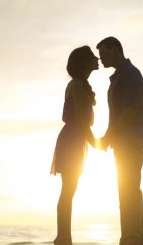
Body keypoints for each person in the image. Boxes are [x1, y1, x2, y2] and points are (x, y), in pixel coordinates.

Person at [97, 36, 143, 245]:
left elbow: (129, 111)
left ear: (115, 50)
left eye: (103, 54)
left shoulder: (129, 74)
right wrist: (110, 136)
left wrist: (109, 136)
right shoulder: (119, 76)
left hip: (133, 138)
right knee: (127, 188)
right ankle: (132, 237)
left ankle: (132, 238)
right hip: (124, 139)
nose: (100, 59)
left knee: (129, 188)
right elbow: (119, 114)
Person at [51, 46, 99, 245]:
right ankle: (63, 238)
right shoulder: (77, 85)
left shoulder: (80, 84)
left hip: (76, 139)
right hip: (72, 139)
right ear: (84, 63)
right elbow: (80, 119)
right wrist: (97, 143)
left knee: (70, 190)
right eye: (92, 57)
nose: (97, 59)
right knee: (68, 190)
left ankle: (64, 237)